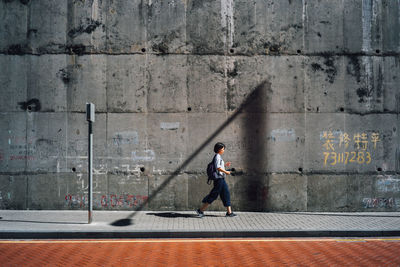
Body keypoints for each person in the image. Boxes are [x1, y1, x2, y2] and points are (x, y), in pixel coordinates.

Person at [196, 142, 237, 218]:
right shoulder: (217, 156)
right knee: (213, 195)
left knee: (226, 194)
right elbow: (217, 167)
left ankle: (229, 212)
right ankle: (200, 210)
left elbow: (218, 166)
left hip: (221, 179)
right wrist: (226, 172)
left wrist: (225, 165)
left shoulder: (218, 157)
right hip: (219, 180)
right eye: (223, 149)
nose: (223, 150)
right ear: (219, 149)